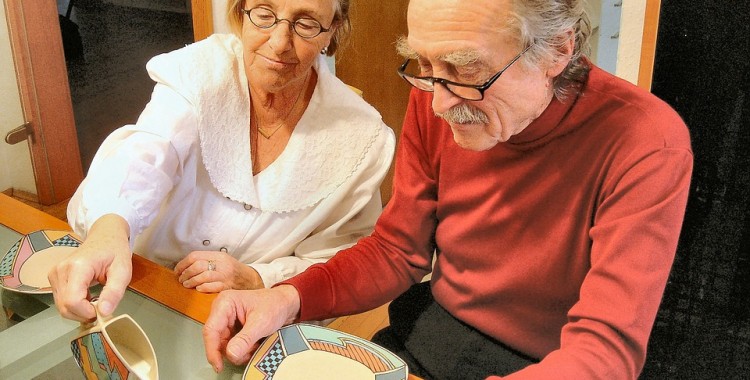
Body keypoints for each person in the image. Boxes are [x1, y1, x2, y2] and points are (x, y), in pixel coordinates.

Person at [202, 0, 693, 378]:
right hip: (436, 327)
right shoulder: (439, 92)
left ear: (558, 50)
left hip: (552, 360)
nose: (437, 104)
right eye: (424, 65)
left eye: (467, 69)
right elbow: (397, 250)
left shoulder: (646, 142)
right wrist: (287, 297)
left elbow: (605, 348)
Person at [48, 0, 395, 322]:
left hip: (252, 318)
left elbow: (342, 258)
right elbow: (149, 150)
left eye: (305, 23)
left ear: (331, 30)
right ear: (240, 11)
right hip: (138, 281)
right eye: (263, 13)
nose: (278, 43)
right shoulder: (200, 71)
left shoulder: (363, 138)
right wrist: (109, 229)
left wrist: (257, 278)